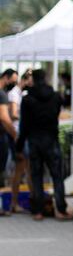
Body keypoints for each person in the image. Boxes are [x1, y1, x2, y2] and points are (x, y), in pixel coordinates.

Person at [17, 69, 69, 221]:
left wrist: (19, 146)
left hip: (34, 140)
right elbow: (57, 113)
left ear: (33, 79)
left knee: (37, 175)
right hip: (52, 139)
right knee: (57, 175)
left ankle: (38, 211)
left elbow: (23, 125)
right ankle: (61, 209)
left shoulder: (27, 99)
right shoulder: (55, 96)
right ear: (45, 78)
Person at [8, 70, 32, 213]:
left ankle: (30, 200)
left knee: (27, 169)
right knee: (20, 169)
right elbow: (13, 114)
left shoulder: (21, 94)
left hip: (22, 134)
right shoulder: (14, 94)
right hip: (18, 134)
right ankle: (14, 202)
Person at [0, 69, 18, 206]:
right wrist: (15, 135)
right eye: (13, 80)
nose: (14, 84)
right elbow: (5, 119)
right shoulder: (2, 95)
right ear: (5, 78)